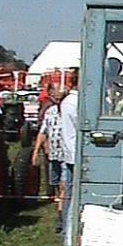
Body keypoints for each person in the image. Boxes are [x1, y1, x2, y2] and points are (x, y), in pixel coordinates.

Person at [31, 87, 66, 232]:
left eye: (60, 98)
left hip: (67, 155)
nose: (57, 101)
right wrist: (36, 151)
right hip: (53, 154)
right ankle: (61, 211)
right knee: (56, 185)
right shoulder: (50, 112)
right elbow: (43, 132)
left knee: (64, 186)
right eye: (55, 98)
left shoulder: (70, 111)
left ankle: (62, 219)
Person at [60, 68, 79, 236]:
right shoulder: (76, 102)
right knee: (73, 194)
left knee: (69, 192)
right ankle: (68, 228)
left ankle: (66, 227)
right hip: (76, 151)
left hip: (69, 150)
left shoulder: (67, 101)